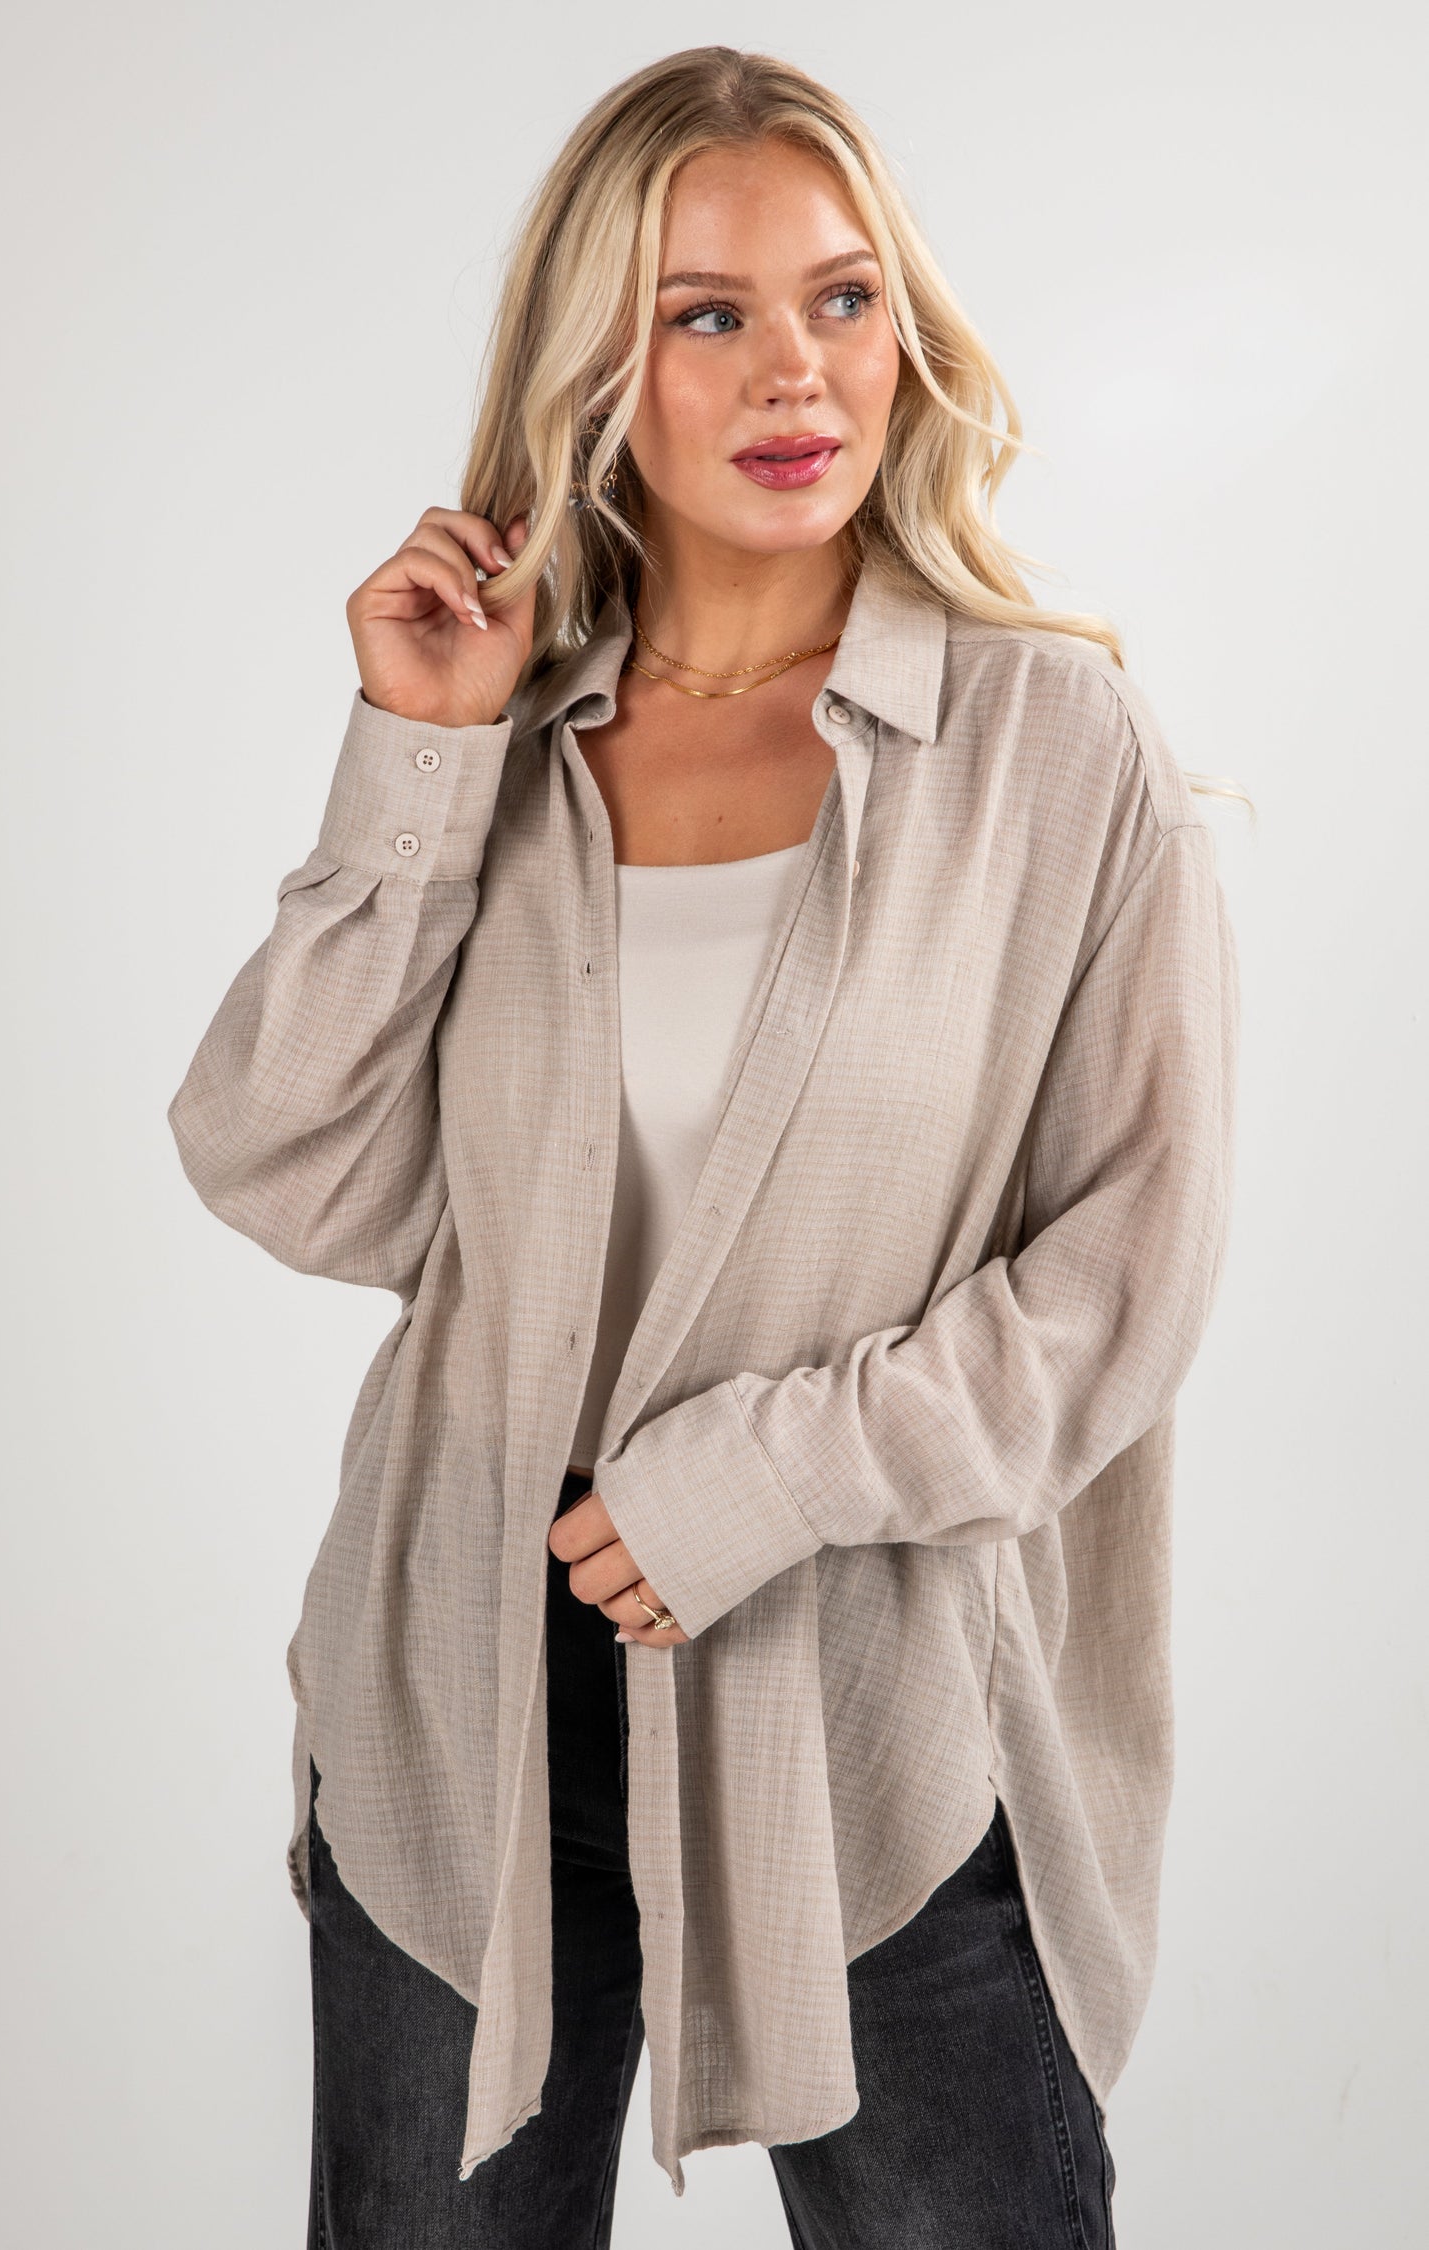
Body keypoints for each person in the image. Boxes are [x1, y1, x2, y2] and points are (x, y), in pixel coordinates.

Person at [167, 44, 1240, 2250]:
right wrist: (414, 765)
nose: (798, 374)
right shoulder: (512, 725)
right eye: (708, 311)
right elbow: (294, 1170)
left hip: (870, 1711)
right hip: (466, 1708)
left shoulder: (1055, 745)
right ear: (599, 363)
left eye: (844, 300)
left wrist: (759, 1478)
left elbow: (1126, 1277)